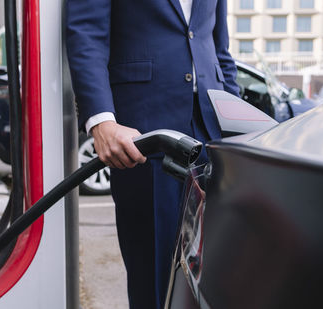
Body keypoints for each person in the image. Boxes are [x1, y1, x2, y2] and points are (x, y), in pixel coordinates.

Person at [66, 0, 239, 308]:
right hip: (144, 133)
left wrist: (237, 122)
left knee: (218, 271)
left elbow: (219, 47)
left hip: (213, 129)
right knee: (155, 273)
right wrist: (102, 121)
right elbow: (87, 34)